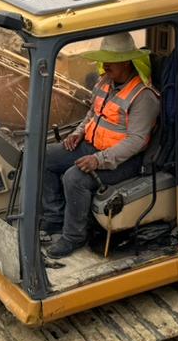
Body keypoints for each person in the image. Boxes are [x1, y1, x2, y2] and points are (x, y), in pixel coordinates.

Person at [41, 32, 160, 258]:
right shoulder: (105, 82)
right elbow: (93, 114)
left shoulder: (143, 97)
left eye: (110, 60)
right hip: (91, 145)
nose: (104, 66)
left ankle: (74, 237)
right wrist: (78, 133)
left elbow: (137, 141)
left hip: (123, 161)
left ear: (125, 61)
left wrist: (99, 160)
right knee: (45, 157)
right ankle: (54, 218)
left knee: (74, 178)